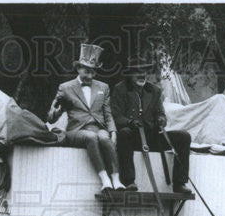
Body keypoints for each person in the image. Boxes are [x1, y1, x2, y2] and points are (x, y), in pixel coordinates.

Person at [48, 43, 124, 195]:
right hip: (76, 130)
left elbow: (107, 113)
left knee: (104, 138)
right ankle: (104, 179)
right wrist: (58, 110)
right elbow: (50, 118)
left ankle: (116, 179)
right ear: (78, 69)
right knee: (91, 137)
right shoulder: (65, 87)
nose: (90, 76)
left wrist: (113, 131)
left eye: (93, 72)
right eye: (87, 72)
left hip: (98, 128)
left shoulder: (103, 87)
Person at [111, 56, 192, 193]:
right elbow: (115, 116)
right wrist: (129, 122)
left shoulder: (154, 90)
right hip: (131, 138)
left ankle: (180, 183)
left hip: (152, 137)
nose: (142, 75)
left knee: (184, 137)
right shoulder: (120, 89)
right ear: (130, 73)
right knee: (124, 134)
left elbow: (161, 113)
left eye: (145, 72)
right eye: (138, 72)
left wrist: (161, 119)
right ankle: (129, 181)